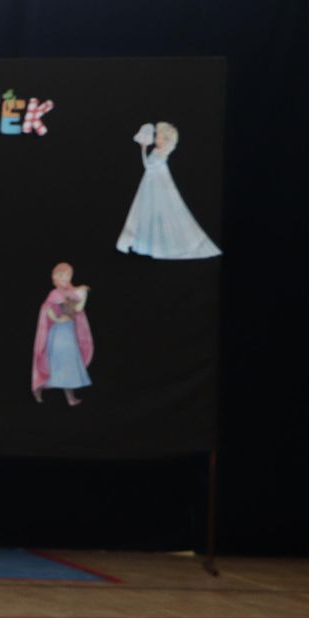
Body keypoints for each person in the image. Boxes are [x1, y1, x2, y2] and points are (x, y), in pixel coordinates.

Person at [115, 121, 221, 259]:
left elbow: (149, 165)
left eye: (159, 137)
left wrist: (143, 149)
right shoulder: (156, 151)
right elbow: (148, 165)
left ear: (166, 140)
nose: (156, 139)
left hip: (157, 187)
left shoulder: (161, 154)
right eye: (157, 137)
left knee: (160, 212)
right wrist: (144, 149)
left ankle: (162, 245)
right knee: (148, 212)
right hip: (150, 185)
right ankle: (146, 244)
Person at [32, 262, 93, 406]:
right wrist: (56, 319)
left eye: (69, 275)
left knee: (67, 365)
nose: (67, 278)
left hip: (68, 332)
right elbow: (49, 308)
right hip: (60, 334)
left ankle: (69, 398)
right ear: (57, 277)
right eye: (64, 275)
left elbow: (77, 309)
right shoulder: (56, 293)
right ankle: (39, 389)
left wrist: (83, 295)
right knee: (62, 364)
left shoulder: (69, 292)